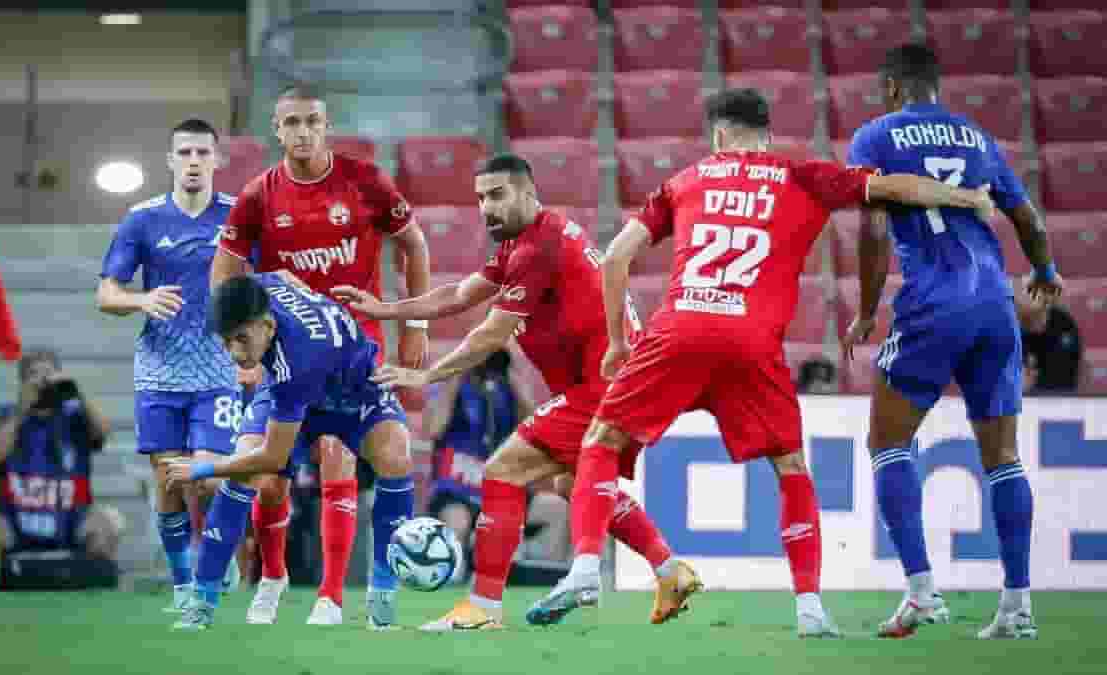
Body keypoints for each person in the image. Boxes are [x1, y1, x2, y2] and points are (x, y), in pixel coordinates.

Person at [533, 87, 1001, 638]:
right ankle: (809, 611)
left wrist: (616, 341)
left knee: (601, 441)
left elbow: (614, 256)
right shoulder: (802, 175)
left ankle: (586, 569)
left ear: (719, 136)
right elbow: (892, 187)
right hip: (751, 343)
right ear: (767, 135)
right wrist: (967, 199)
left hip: (680, 329)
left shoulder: (684, 181)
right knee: (790, 470)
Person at [341, 154, 686, 631]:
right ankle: (669, 569)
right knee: (568, 483)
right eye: (481, 197)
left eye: (498, 195)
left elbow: (489, 334)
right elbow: (458, 296)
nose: (486, 207)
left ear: (529, 192)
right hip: (618, 380)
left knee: (502, 471)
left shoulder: (536, 249)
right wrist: (386, 310)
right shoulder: (523, 244)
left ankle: (485, 607)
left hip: (607, 382)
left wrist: (427, 375)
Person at [840, 44, 1063, 639]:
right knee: (1004, 457)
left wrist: (865, 311)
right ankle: (1017, 608)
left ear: (891, 88)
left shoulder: (876, 135)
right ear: (936, 89)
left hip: (934, 303)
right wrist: (1044, 273)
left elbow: (874, 224)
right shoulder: (979, 140)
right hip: (995, 305)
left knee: (887, 439)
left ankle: (921, 594)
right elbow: (1029, 220)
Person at [209, 83, 431, 628]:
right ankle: (274, 576)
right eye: (292, 123)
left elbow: (415, 245)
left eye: (313, 121)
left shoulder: (365, 181)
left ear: (325, 125)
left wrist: (414, 324)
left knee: (349, 457)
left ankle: (336, 595)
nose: (303, 132)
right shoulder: (259, 195)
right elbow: (224, 267)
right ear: (276, 129)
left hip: (355, 353)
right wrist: (238, 345)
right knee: (271, 479)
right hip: (286, 355)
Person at [163, 274, 397, 630]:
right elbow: (275, 275)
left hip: (349, 393)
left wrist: (204, 469)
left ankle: (360, 596)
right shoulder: (261, 289)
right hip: (293, 385)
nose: (235, 354)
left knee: (384, 459)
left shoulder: (295, 362)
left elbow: (272, 457)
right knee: (253, 480)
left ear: (268, 325)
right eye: (226, 342)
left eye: (241, 340)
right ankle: (225, 593)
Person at [96, 118, 242, 612]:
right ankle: (184, 587)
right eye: (185, 153)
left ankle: (218, 557)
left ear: (217, 160)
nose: (194, 161)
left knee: (208, 476)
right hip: (159, 368)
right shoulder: (142, 219)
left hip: (219, 365)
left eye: (203, 152)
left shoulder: (238, 216)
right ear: (170, 161)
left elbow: (264, 282)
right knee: (169, 479)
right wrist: (142, 300)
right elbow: (106, 294)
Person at [0, 348, 123, 590]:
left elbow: (104, 432)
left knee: (109, 523)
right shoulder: (8, 416)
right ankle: (2, 587)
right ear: (22, 382)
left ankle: (89, 586)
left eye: (48, 374)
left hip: (71, 523)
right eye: (34, 375)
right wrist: (22, 410)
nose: (42, 382)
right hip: (16, 523)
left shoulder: (74, 416)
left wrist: (77, 392)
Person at [425, 349, 533, 567]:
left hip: (500, 489)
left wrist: (514, 381)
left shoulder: (505, 389)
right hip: (457, 488)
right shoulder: (451, 387)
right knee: (458, 523)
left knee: (556, 509)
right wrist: (456, 374)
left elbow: (534, 427)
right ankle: (454, 571)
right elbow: (435, 429)